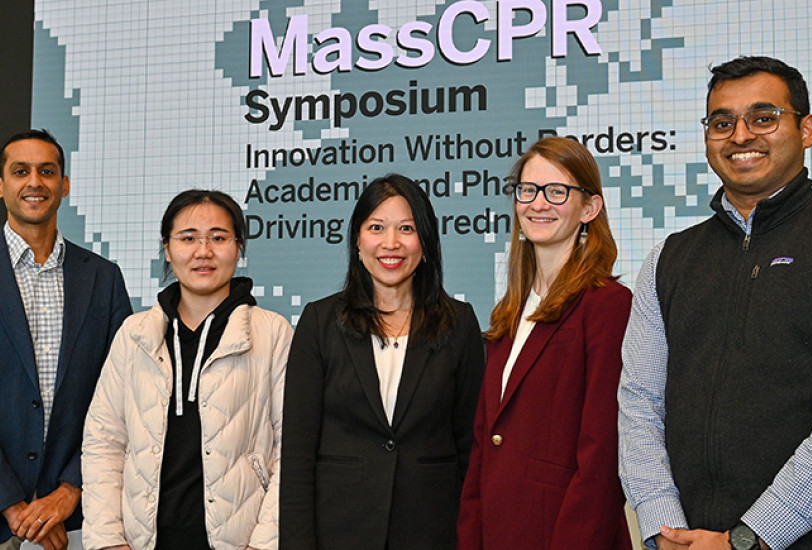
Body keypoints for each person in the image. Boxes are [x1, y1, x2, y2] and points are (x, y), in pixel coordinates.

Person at [618, 56, 812, 550]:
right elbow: (640, 403)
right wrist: (663, 528)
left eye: (764, 118)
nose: (740, 135)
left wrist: (750, 538)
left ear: (807, 129)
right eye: (722, 123)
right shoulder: (669, 257)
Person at [279, 174, 485, 550]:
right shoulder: (319, 322)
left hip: (433, 532)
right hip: (339, 531)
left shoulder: (460, 323)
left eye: (406, 228)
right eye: (377, 227)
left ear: (426, 242)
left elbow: (470, 449)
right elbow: (297, 454)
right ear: (358, 241)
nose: (391, 243)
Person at [81, 190, 292, 550]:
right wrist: (107, 541)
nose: (203, 251)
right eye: (188, 238)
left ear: (238, 248)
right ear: (167, 248)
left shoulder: (272, 332)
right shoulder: (134, 334)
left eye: (219, 237)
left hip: (238, 542)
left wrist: (264, 544)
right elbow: (104, 442)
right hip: (142, 541)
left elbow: (291, 449)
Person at [457, 136, 633, 549]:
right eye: (528, 190)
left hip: (565, 535)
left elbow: (601, 457)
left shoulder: (608, 304)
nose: (538, 203)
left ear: (589, 208)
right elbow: (485, 447)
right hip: (499, 533)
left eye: (557, 192)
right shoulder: (509, 312)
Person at [0, 129, 132, 550]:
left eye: (47, 171)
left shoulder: (103, 278)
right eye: (21, 171)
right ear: (1, 184)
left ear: (65, 184)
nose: (34, 182)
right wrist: (13, 506)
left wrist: (69, 491)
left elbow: (125, 393)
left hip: (78, 518)